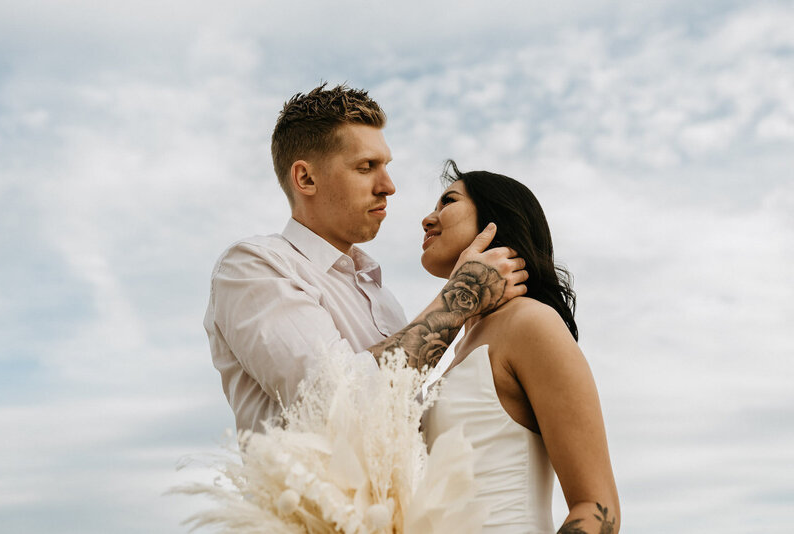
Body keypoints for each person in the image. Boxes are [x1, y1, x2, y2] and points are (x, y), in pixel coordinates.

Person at [204, 85, 528, 433]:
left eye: (385, 166)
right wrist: (460, 297)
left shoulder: (384, 299)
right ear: (306, 178)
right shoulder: (254, 267)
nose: (388, 186)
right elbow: (336, 406)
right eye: (366, 167)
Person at [421, 161, 620, 533]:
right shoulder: (457, 350)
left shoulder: (530, 322)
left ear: (495, 221)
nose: (428, 219)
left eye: (447, 201)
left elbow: (596, 505)